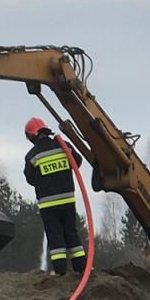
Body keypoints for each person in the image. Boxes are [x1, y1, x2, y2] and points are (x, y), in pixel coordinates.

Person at [22, 117, 87, 276]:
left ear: (31, 136)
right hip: (67, 200)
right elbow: (77, 162)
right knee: (71, 232)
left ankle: (60, 271)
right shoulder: (64, 147)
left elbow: (31, 179)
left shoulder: (32, 155)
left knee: (55, 235)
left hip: (48, 204)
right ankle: (81, 267)